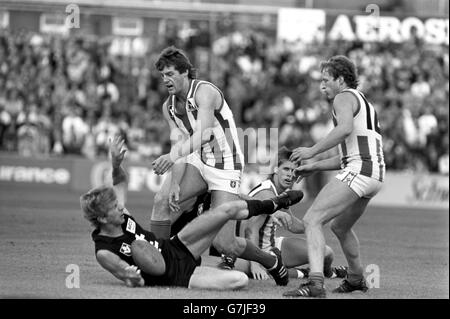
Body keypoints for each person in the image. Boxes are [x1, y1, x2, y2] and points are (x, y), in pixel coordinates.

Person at [80, 135, 304, 289]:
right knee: (238, 281)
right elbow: (127, 275)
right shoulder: (105, 251)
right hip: (177, 275)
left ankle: (273, 204)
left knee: (226, 209)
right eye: (114, 208)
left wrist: (115, 164)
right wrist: (133, 274)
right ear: (101, 218)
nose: (120, 207)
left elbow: (119, 182)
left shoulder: (120, 215)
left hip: (177, 245)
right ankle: (273, 263)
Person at [149, 46, 290, 284]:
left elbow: (203, 133)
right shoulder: (169, 107)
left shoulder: (205, 92)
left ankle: (270, 260)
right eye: (163, 75)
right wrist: (174, 181)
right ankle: (157, 267)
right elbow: (180, 143)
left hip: (225, 166)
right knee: (162, 201)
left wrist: (171, 157)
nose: (166, 80)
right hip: (198, 159)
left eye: (171, 73)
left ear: (185, 72)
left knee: (225, 244)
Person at [283, 56, 385, 298]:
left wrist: (311, 151)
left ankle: (316, 284)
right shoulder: (362, 102)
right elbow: (346, 155)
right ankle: (356, 278)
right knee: (340, 226)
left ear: (341, 80)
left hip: (361, 169)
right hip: (374, 173)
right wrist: (315, 166)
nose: (322, 85)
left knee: (312, 220)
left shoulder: (343, 98)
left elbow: (344, 130)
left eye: (326, 80)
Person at [226, 147, 348, 280]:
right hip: (255, 251)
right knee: (253, 272)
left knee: (326, 252)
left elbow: (295, 226)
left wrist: (327, 212)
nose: (290, 174)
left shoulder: (281, 194)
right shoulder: (267, 193)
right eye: (286, 169)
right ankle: (302, 273)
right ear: (275, 169)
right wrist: (255, 265)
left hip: (272, 246)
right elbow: (250, 229)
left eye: (294, 171)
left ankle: (329, 273)